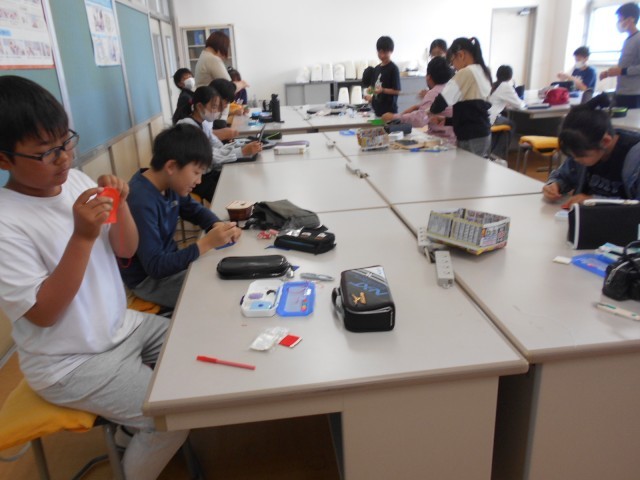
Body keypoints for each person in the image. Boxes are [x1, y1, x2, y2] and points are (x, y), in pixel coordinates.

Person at [0, 75, 188, 480]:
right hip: (70, 362)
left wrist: (122, 206)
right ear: (4, 159)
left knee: (194, 348)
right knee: (172, 417)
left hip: (122, 327)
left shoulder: (75, 181)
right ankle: (138, 438)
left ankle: (128, 434)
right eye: (46, 152)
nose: (64, 158)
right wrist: (82, 237)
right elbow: (44, 313)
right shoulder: (6, 221)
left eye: (66, 141)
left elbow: (125, 249)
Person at [120, 124, 241, 308]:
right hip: (150, 281)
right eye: (196, 172)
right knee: (219, 294)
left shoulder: (168, 184)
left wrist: (216, 225)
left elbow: (196, 210)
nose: (199, 181)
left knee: (226, 273)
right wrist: (206, 243)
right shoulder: (140, 201)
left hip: (171, 264)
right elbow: (155, 266)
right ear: (171, 166)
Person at [542, 94, 640, 206]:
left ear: (605, 141)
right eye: (572, 155)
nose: (575, 159)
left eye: (580, 155)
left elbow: (636, 207)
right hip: (584, 214)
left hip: (618, 217)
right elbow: (564, 176)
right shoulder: (583, 147)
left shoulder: (634, 159)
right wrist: (555, 185)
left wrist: (595, 201)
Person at [175, 86, 261, 201]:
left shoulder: (203, 124)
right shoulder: (187, 127)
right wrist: (242, 151)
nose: (216, 111)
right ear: (200, 106)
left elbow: (218, 146)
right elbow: (210, 157)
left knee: (239, 181)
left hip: (208, 172)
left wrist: (241, 146)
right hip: (197, 178)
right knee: (229, 196)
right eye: (214, 107)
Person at [430, 37, 492, 157]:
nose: (454, 67)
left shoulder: (466, 72)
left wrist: (430, 110)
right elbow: (474, 111)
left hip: (471, 137)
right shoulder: (484, 71)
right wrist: (447, 120)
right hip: (483, 134)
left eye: (453, 62)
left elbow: (440, 102)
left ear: (461, 55)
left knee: (466, 168)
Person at [381, 56, 455, 144]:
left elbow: (420, 119)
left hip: (443, 141)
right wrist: (417, 107)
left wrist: (394, 117)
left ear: (429, 77)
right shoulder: (452, 88)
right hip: (453, 138)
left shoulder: (434, 92)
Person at [600, 3, 640, 108]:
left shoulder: (638, 39)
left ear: (631, 19)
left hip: (633, 94)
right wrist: (609, 73)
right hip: (621, 91)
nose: (619, 23)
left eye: (620, 19)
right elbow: (626, 64)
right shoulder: (627, 40)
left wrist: (622, 71)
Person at [488, 65, 525, 158]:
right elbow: (519, 104)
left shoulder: (493, 85)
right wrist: (523, 103)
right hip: (493, 117)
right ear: (510, 77)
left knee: (502, 129)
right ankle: (497, 154)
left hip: (486, 117)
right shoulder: (505, 86)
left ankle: (493, 152)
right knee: (511, 125)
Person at [367, 36, 401, 117]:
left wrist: (383, 90)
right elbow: (374, 88)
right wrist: (370, 91)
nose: (382, 55)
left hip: (389, 113)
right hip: (377, 111)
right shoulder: (376, 69)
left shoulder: (393, 69)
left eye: (385, 53)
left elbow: (397, 91)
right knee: (376, 125)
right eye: (380, 52)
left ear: (391, 51)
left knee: (386, 126)